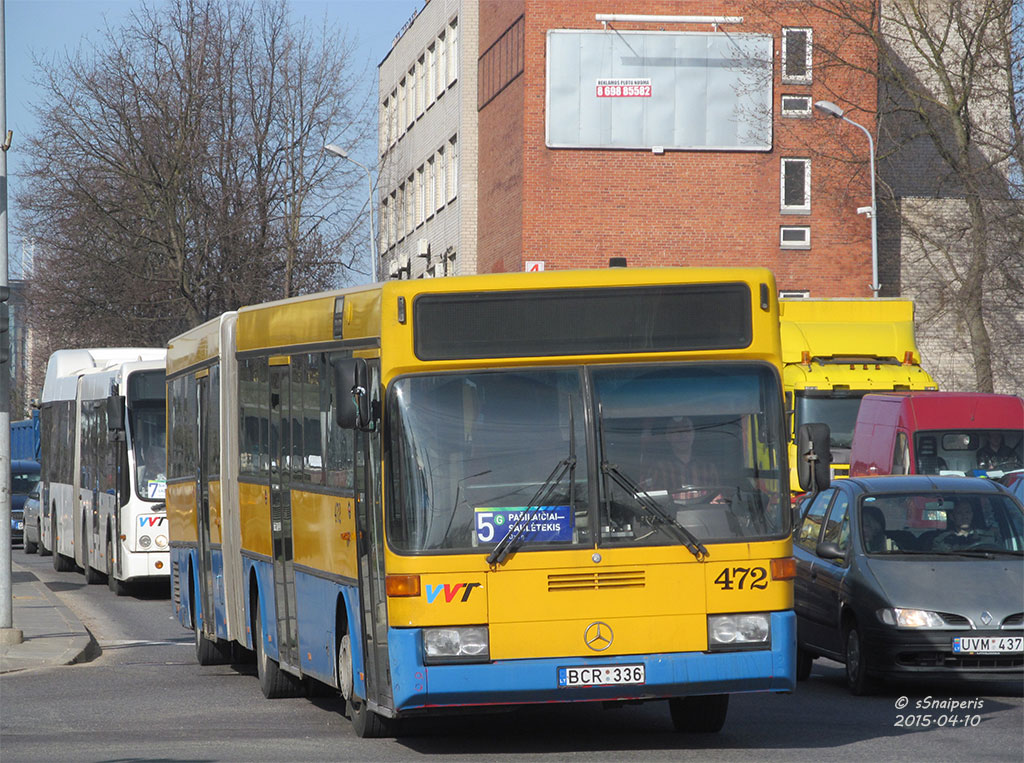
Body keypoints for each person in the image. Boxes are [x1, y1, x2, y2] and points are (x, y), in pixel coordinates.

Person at [641, 416, 726, 504]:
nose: (682, 435)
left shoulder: (708, 468)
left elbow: (718, 499)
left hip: (703, 516)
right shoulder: (659, 468)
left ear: (693, 434)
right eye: (676, 431)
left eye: (687, 430)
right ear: (668, 436)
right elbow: (650, 501)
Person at [933, 500, 997, 550]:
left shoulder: (988, 538)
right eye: (959, 513)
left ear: (972, 514)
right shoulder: (943, 540)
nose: (964, 516)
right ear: (952, 517)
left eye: (967, 512)